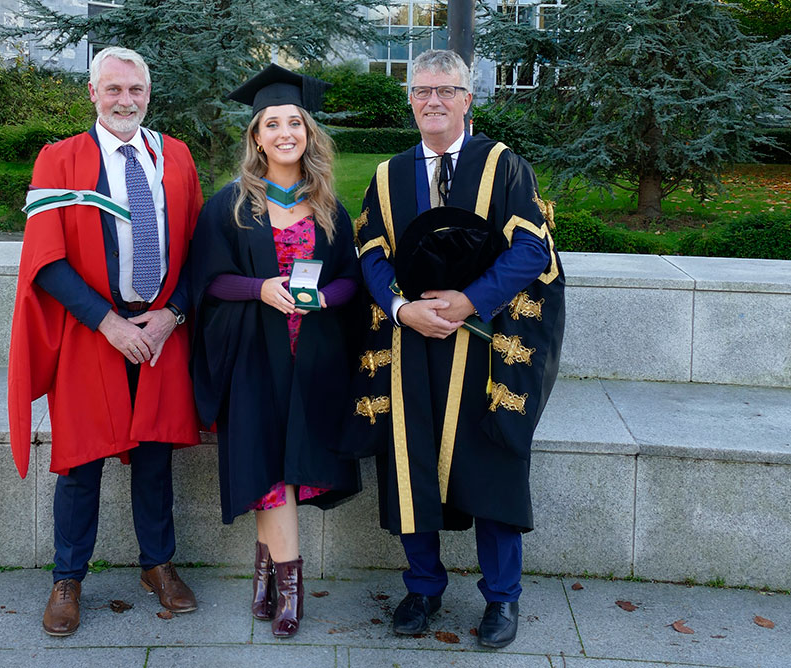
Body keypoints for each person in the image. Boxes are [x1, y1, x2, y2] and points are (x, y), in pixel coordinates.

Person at [352, 49, 565, 649]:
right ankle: (423, 586)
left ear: (469, 100)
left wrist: (468, 301)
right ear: (410, 99)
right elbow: (369, 253)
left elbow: (532, 252)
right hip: (412, 345)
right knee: (411, 460)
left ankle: (502, 598)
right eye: (422, 91)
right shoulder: (389, 175)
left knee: (490, 461)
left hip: (484, 345)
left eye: (446, 90)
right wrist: (402, 309)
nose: (433, 101)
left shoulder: (504, 166)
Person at [7, 46, 203, 637]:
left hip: (160, 329)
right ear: (93, 93)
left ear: (148, 94)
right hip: (93, 329)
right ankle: (68, 577)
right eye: (113, 89)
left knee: (155, 453)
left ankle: (157, 565)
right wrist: (106, 322)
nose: (125, 101)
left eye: (135, 90)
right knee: (81, 457)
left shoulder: (175, 157)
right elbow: (46, 259)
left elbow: (199, 251)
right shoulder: (60, 161)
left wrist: (171, 315)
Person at [190, 64, 361, 639]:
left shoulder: (331, 209)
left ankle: (264, 579)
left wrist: (320, 302)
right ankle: (291, 589)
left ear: (309, 134)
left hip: (309, 361)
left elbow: (350, 282)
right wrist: (260, 288)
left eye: (295, 122)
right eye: (272, 123)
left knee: (280, 471)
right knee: (271, 474)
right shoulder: (231, 207)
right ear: (256, 137)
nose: (285, 132)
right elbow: (208, 280)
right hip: (252, 360)